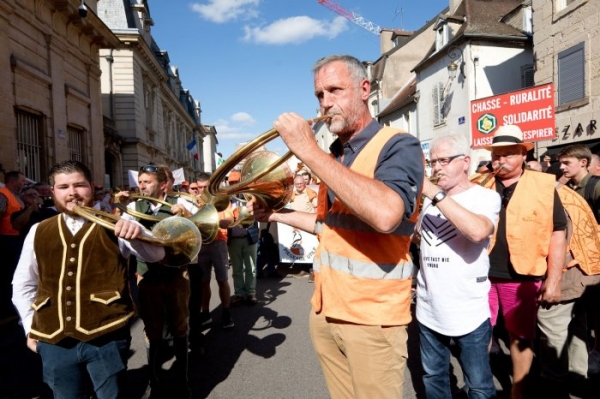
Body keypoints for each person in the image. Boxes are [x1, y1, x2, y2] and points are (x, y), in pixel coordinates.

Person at [250, 54, 424, 398]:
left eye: (335, 90)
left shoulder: (398, 145)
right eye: (319, 95)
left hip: (372, 318)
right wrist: (276, 215)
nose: (326, 102)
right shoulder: (336, 156)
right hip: (328, 310)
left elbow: (387, 215)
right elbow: (327, 227)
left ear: (363, 89)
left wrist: (308, 150)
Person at [11, 160, 165, 398]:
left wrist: (138, 234)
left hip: (106, 336)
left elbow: (157, 255)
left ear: (91, 187)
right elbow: (23, 283)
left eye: (79, 185)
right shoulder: (38, 230)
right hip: (54, 340)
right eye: (63, 187)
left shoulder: (117, 224)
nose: (72, 192)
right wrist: (30, 328)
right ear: (53, 192)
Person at [482, 125, 567, 399]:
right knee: (478, 334)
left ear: (522, 153)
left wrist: (553, 280)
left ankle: (518, 390)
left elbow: (558, 232)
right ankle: (480, 385)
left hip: (522, 276)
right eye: (496, 155)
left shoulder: (542, 186)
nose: (500, 161)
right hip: (480, 273)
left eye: (507, 154)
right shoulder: (478, 183)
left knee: (520, 337)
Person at [416, 135, 500, 399]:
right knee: (434, 377)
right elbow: (419, 237)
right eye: (432, 162)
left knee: (478, 384)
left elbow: (477, 232)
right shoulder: (429, 200)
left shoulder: (485, 197)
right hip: (428, 309)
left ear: (465, 162)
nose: (436, 168)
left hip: (468, 310)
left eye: (443, 161)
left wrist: (435, 194)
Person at [118, 165, 194, 398]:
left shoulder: (181, 203)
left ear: (162, 185)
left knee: (180, 326)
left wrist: (187, 216)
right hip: (147, 275)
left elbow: (200, 230)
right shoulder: (132, 207)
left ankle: (183, 379)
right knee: (152, 329)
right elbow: (122, 236)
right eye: (140, 181)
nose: (141, 186)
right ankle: (154, 378)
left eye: (147, 182)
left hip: (176, 275)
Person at [536, 163, 600, 397]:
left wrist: (549, 279)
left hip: (567, 276)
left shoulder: (550, 199)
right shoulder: (569, 194)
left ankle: (556, 384)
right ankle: (577, 381)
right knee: (577, 329)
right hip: (588, 273)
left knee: (552, 330)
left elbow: (556, 241)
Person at [557, 144, 600, 376]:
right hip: (577, 264)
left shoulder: (595, 186)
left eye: (566, 163)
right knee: (584, 312)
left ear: (583, 163)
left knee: (595, 310)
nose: (561, 167)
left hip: (593, 259)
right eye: (561, 163)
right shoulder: (569, 186)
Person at [189, 173, 235, 333]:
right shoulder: (193, 201)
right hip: (201, 244)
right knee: (204, 282)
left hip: (218, 243)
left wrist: (223, 221)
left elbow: (229, 218)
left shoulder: (220, 198)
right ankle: (206, 311)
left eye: (205, 187)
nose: (201, 190)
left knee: (222, 280)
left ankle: (226, 311)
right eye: (199, 187)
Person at [0, 171, 26, 322]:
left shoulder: (15, 195)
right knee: (7, 275)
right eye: (22, 180)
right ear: (12, 181)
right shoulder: (3, 194)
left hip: (16, 239)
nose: (24, 183)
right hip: (6, 240)